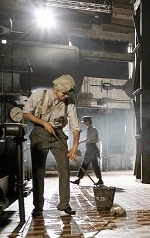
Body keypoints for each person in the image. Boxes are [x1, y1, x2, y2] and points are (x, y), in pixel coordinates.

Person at [23, 74, 81, 217]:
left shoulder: (70, 102)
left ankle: (64, 204)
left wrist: (74, 148)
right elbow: (25, 113)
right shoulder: (39, 95)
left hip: (58, 135)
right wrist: (43, 122)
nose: (66, 96)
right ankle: (38, 206)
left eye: (68, 93)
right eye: (64, 93)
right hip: (39, 133)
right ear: (56, 89)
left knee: (65, 169)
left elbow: (75, 127)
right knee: (38, 171)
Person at [71, 116, 103, 185]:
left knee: (85, 164)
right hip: (91, 148)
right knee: (92, 164)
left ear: (88, 122)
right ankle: (99, 179)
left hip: (91, 148)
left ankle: (79, 179)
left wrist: (80, 142)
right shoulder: (90, 129)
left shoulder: (92, 129)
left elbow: (89, 139)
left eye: (85, 122)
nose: (84, 123)